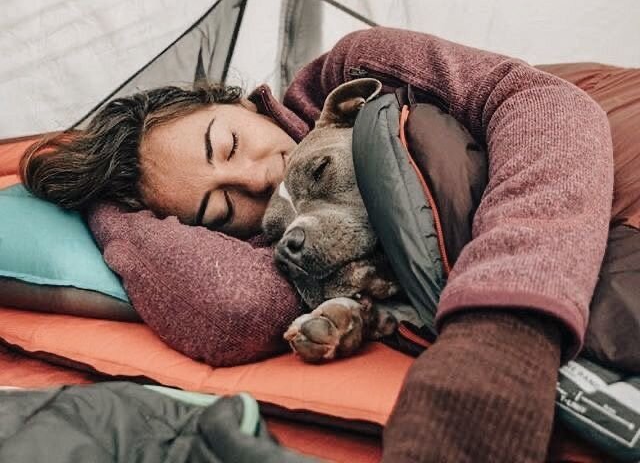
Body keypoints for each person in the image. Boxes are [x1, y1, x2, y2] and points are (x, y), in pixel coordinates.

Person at [21, 27, 622, 463]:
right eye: (221, 208)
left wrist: (505, 323)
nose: (256, 178)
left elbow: (543, 103)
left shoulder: (352, 68)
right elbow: (235, 309)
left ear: (234, 100)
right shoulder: (273, 240)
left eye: (228, 145)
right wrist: (110, 210)